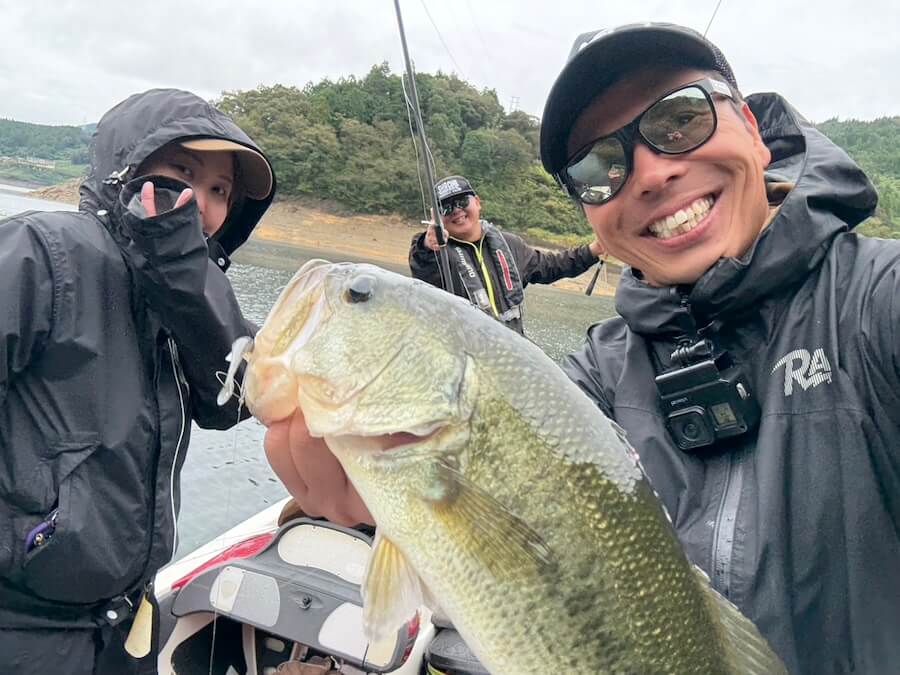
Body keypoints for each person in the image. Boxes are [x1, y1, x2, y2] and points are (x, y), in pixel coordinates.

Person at [262, 22, 898, 675]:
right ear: (591, 211)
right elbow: (508, 561)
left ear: (754, 133)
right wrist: (364, 512)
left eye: (681, 118)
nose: (649, 172)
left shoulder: (878, 303)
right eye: (601, 167)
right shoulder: (593, 380)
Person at [0, 87, 276, 674]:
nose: (200, 202)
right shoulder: (44, 252)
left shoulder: (188, 298)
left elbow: (236, 397)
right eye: (182, 171)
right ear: (124, 171)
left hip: (125, 619)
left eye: (220, 191)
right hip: (23, 626)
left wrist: (180, 272)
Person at [409, 174, 603, 334]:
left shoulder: (510, 244)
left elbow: (550, 266)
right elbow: (422, 267)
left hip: (511, 351)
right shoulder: (435, 253)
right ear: (437, 216)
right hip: (465, 356)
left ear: (477, 202)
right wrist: (427, 244)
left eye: (461, 201)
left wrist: (594, 250)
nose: (456, 210)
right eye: (446, 207)